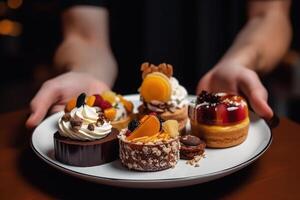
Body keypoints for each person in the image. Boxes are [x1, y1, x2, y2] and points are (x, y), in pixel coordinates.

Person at [26, 0, 292, 128]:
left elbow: (270, 14)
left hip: (225, 98)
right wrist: (85, 74)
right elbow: (85, 36)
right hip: (118, 114)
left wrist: (240, 60)